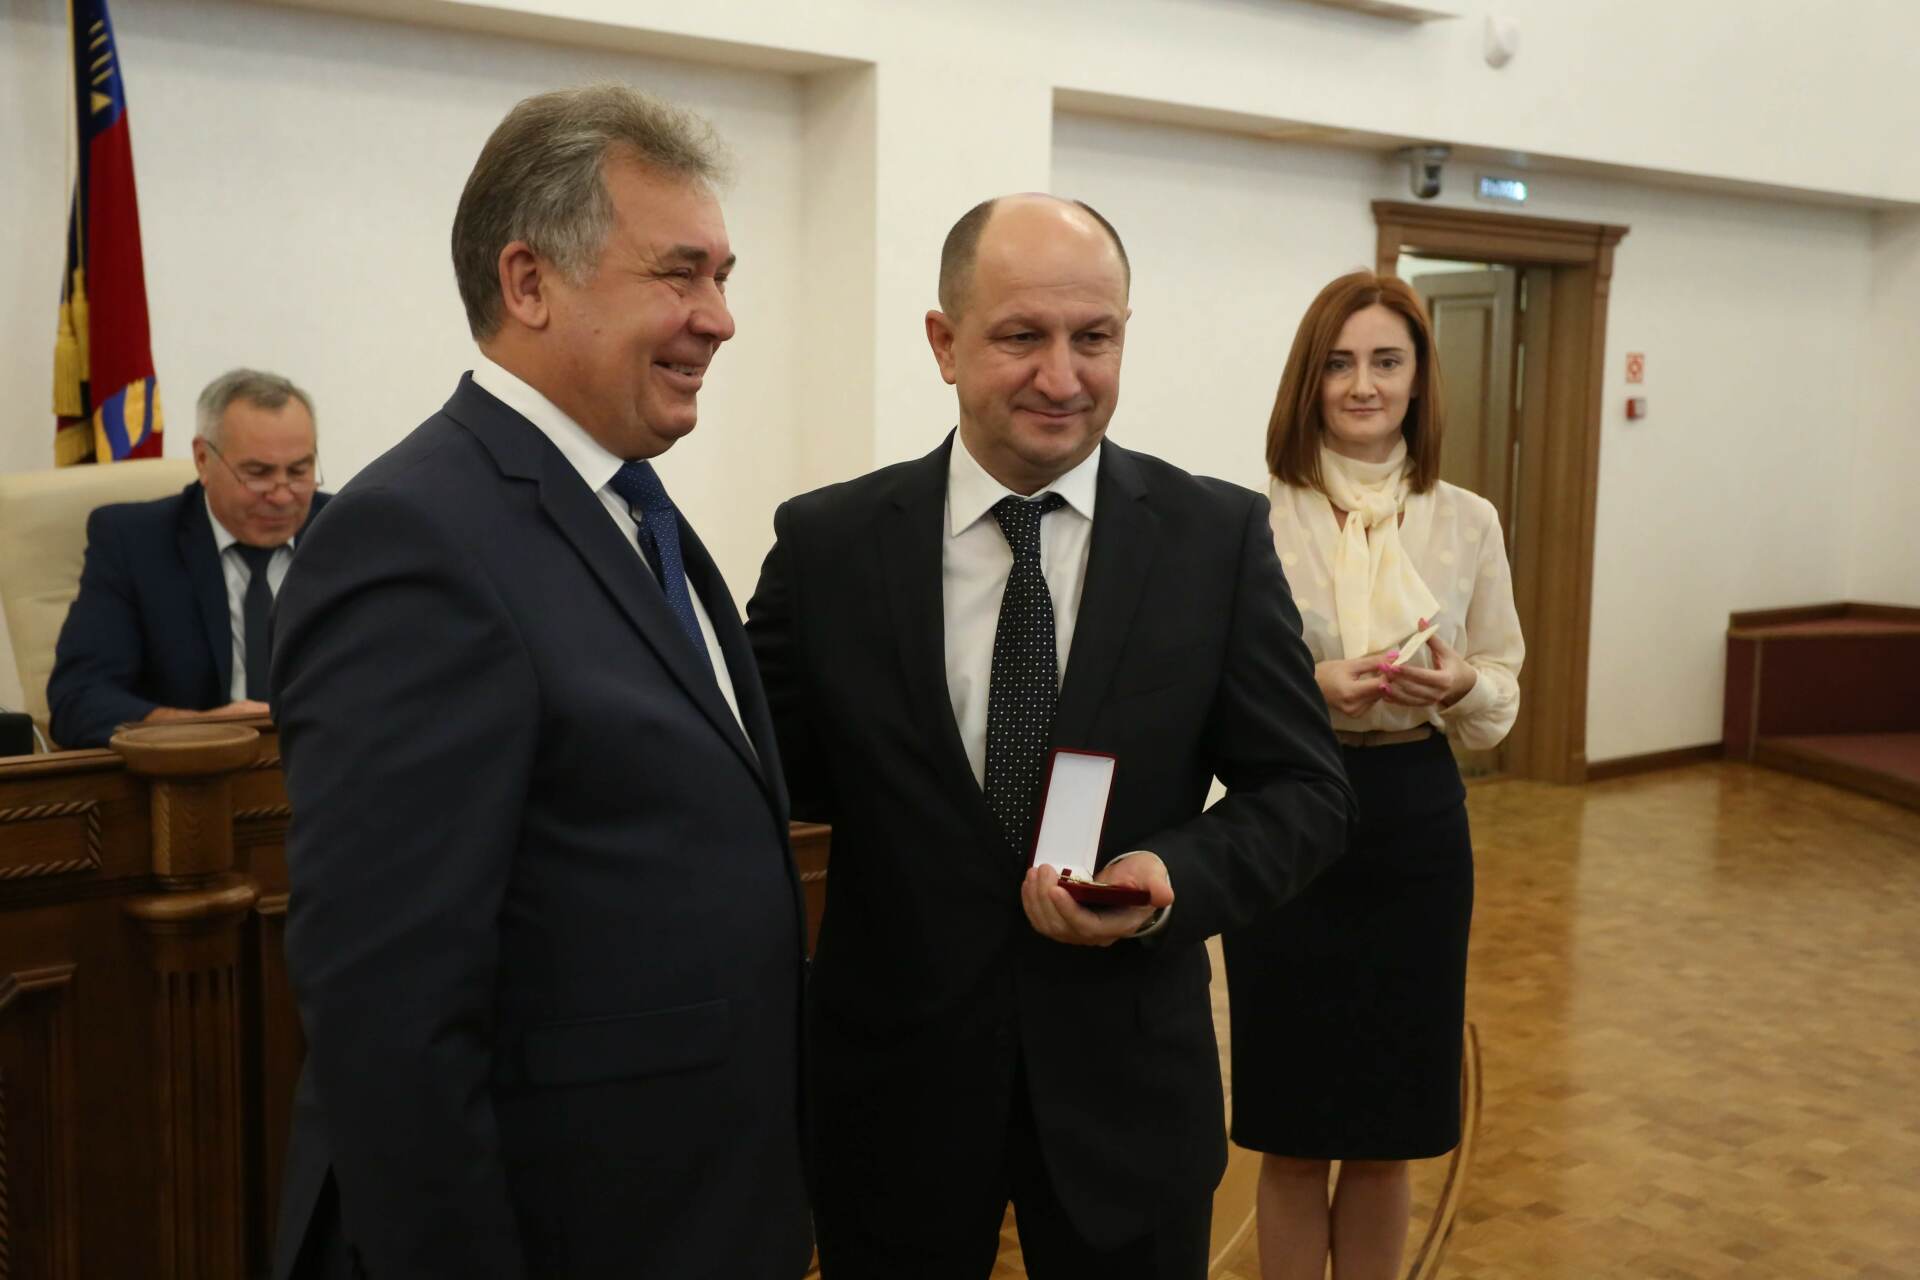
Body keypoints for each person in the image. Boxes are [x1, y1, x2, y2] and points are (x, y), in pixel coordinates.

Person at [744, 194, 1355, 1279]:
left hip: (1128, 1094)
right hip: (895, 1096)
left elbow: (1304, 792)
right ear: (945, 343)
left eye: (1094, 338)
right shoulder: (828, 545)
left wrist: (1171, 874)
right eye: (1022, 335)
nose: (1062, 377)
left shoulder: (1213, 541)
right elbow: (762, 782)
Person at [268, 85, 810, 1280]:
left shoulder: (633, 511)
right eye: (679, 274)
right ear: (529, 282)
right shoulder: (414, 538)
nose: (720, 318)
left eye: (724, 276)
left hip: (694, 1211)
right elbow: (390, 1015)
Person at [1222, 271, 1523, 1280]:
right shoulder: (1250, 518)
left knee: (1391, 1124)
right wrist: (1311, 687)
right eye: (1340, 363)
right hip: (1288, 810)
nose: (1363, 384)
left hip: (1415, 816)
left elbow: (1502, 680)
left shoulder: (1467, 519)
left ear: (1418, 378)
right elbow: (1219, 691)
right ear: (1309, 379)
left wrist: (1460, 681)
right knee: (1292, 1126)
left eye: (1386, 361)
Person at [46, 368, 326, 748]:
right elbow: (78, 701)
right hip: (191, 773)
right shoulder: (134, 543)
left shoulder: (347, 534)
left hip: (326, 766)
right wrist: (201, 729)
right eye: (258, 473)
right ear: (203, 459)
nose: (281, 495)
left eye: (298, 471)